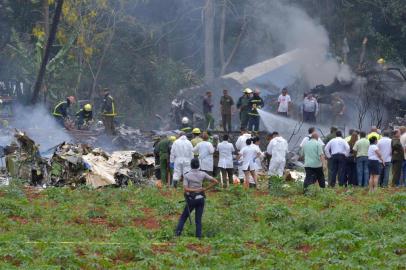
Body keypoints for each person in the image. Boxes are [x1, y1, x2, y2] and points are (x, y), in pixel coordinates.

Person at [175, 158, 218, 239]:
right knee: (198, 220)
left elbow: (186, 189)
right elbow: (216, 181)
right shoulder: (203, 174)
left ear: (190, 165)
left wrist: (195, 190)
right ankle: (198, 238)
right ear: (199, 165)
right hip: (201, 199)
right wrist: (204, 189)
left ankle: (177, 235)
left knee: (183, 217)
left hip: (191, 199)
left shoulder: (187, 175)